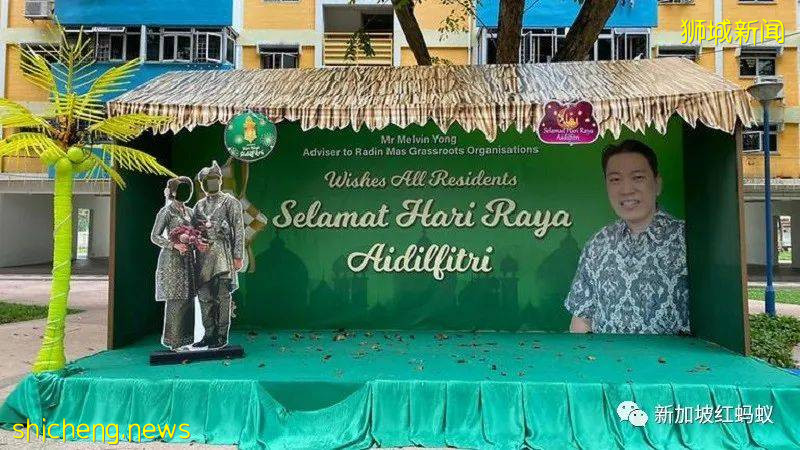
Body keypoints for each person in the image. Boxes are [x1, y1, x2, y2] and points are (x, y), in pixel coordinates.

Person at [564, 140, 690, 334]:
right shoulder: (598, 244)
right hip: (606, 354)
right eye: (615, 179)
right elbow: (581, 320)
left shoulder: (687, 239)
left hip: (674, 355)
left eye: (638, 177)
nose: (626, 190)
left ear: (657, 184)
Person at [192, 161, 245, 349]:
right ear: (202, 183)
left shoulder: (230, 202)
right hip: (203, 256)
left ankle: (222, 335)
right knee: (205, 296)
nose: (211, 183)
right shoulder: (199, 206)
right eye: (207, 180)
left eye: (214, 178)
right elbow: (193, 231)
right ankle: (208, 334)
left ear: (220, 180)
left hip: (223, 253)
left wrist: (238, 256)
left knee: (223, 296)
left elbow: (239, 229)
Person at [151, 176, 197, 350]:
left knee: (188, 298)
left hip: (188, 259)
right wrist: (174, 245)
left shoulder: (190, 212)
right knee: (176, 299)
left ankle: (187, 340)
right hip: (172, 260)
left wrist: (194, 240)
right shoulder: (166, 212)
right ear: (174, 192)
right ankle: (174, 342)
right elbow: (154, 236)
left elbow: (197, 232)